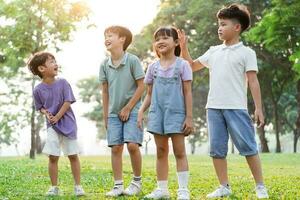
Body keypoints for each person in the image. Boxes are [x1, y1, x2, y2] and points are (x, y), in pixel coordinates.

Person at [179, 3, 269, 199]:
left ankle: (260, 186)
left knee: (249, 148)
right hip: (213, 108)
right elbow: (191, 66)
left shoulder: (247, 53)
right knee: (217, 150)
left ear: (237, 27)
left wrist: (259, 108)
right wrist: (184, 47)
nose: (219, 28)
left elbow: (253, 81)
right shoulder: (213, 51)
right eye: (218, 24)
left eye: (223, 24)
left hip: (236, 107)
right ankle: (224, 186)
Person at [138, 26, 193, 200]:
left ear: (176, 42)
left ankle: (183, 190)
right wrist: (140, 111)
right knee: (161, 151)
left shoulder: (183, 65)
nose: (160, 41)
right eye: (157, 39)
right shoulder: (152, 67)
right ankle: (162, 189)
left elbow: (187, 92)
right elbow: (148, 94)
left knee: (179, 152)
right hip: (157, 114)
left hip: (176, 114)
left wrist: (189, 117)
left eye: (165, 38)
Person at [28, 52, 85, 196]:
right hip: (52, 126)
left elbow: (68, 101)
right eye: (51, 62)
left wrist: (58, 116)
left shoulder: (63, 83)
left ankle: (78, 186)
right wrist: (46, 114)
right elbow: (40, 107)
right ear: (41, 69)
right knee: (53, 156)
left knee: (73, 155)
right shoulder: (38, 90)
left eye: (55, 61)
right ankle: (54, 187)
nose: (56, 64)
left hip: (68, 124)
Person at [99, 25, 145, 197]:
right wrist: (106, 116)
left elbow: (142, 86)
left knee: (132, 145)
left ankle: (136, 182)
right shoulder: (104, 64)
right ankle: (118, 186)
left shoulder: (132, 60)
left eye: (111, 35)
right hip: (113, 114)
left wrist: (128, 107)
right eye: (105, 36)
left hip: (133, 110)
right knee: (116, 148)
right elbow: (105, 91)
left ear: (122, 39)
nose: (107, 38)